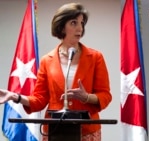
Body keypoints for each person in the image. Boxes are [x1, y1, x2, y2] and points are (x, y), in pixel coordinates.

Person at [0, 3, 112, 141]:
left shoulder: (96, 57)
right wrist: (15, 96)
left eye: (82, 23)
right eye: (73, 23)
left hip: (86, 131)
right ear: (61, 26)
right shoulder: (47, 60)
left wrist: (87, 97)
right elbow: (39, 99)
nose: (80, 28)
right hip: (55, 130)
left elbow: (105, 95)